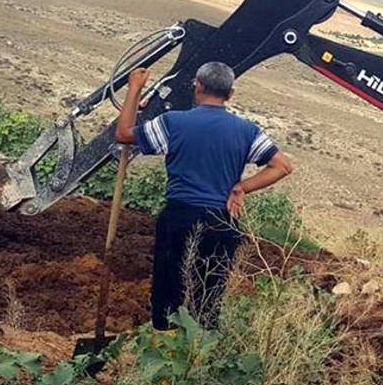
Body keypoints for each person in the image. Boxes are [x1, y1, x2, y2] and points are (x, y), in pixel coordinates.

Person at [115, 62, 295, 330]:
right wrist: (242, 187)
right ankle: (201, 354)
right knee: (209, 294)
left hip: (179, 218)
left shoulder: (174, 122)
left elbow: (124, 134)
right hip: (222, 221)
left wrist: (134, 89)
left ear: (197, 86)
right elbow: (282, 166)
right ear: (230, 94)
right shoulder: (247, 130)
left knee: (168, 290)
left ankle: (166, 353)